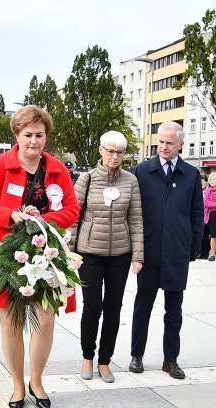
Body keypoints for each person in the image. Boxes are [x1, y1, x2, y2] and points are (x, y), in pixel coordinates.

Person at [0, 105, 77, 408]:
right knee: (11, 323)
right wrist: (12, 216)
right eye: (28, 134)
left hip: (47, 253)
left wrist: (45, 221)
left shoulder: (57, 169)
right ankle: (17, 384)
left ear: (46, 137)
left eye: (39, 135)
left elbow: (71, 209)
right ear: (17, 134)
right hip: (7, 254)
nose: (34, 141)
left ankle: (37, 381)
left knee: (45, 319)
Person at [129, 121, 203, 380]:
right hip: (149, 250)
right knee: (143, 305)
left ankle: (170, 360)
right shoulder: (142, 171)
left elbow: (197, 213)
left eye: (169, 143)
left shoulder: (191, 175)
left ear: (180, 144)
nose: (163, 147)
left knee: (174, 310)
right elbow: (133, 212)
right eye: (160, 142)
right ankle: (136, 355)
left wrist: (194, 247)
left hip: (177, 251)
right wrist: (134, 248)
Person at [73, 131, 143, 383]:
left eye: (120, 152)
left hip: (120, 255)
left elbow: (135, 219)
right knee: (92, 306)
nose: (115, 156)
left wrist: (138, 255)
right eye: (111, 151)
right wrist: (69, 250)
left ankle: (105, 360)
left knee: (114, 308)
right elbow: (73, 216)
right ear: (101, 151)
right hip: (90, 252)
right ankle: (87, 357)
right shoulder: (86, 179)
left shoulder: (130, 181)